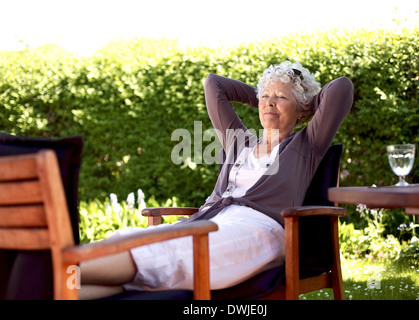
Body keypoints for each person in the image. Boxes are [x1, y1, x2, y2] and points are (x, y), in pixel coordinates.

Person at [79, 61, 353, 299]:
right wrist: (263, 94)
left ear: (303, 110)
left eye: (281, 98)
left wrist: (304, 98)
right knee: (135, 239)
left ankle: (55, 267)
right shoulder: (239, 141)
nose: (269, 103)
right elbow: (214, 85)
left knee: (176, 252)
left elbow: (341, 88)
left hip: (257, 231)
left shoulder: (306, 144)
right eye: (265, 97)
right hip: (208, 220)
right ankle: (57, 280)